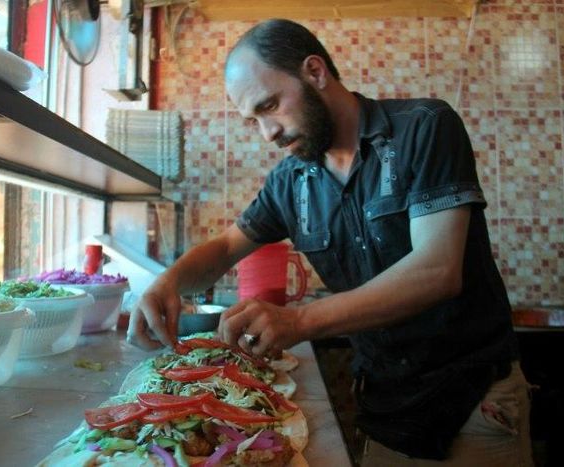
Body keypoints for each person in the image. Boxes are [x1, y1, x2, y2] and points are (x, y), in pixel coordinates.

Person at [127, 18, 533, 466]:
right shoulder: (292, 179)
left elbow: (437, 270)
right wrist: (167, 282)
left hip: (473, 402)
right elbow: (226, 247)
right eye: (254, 120)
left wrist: (299, 322)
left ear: (315, 72)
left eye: (270, 105)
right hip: (385, 405)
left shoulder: (425, 128)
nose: (269, 134)